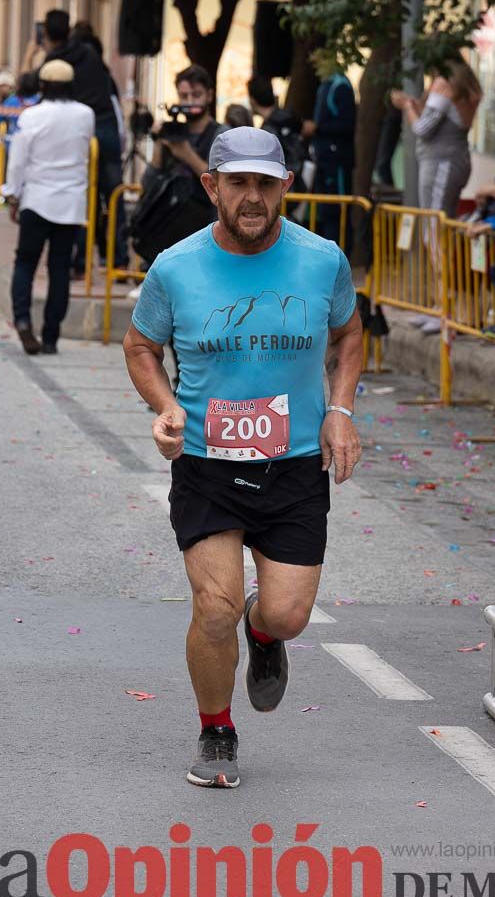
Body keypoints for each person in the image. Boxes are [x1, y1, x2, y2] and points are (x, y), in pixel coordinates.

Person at [123, 126, 364, 789]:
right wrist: (165, 407)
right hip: (207, 463)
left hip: (294, 467)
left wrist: (339, 410)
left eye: (266, 183)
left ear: (285, 185)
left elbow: (348, 335)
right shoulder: (176, 267)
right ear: (213, 186)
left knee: (284, 614)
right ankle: (217, 729)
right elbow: (140, 346)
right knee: (216, 606)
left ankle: (265, 639)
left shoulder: (322, 260)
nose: (253, 198)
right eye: (239, 184)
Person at [1, 59, 94, 356]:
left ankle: (23, 320)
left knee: (26, 262)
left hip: (37, 200)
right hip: (71, 203)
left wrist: (11, 195)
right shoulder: (85, 115)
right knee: (59, 268)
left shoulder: (31, 116)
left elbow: (17, 161)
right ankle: (51, 335)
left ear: (42, 86)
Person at [24, 9, 126, 270]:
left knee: (84, 195)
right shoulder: (89, 54)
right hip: (106, 127)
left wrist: (29, 55)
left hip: (80, 132)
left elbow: (24, 85)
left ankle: (80, 262)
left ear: (45, 34)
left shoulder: (54, 64)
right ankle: (119, 259)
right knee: (114, 195)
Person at [131, 65, 226, 266]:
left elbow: (223, 183)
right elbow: (149, 183)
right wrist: (159, 145)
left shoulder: (221, 135)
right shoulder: (171, 132)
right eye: (184, 96)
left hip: (204, 227)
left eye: (196, 95)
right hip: (167, 226)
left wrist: (186, 154)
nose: (189, 102)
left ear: (209, 96)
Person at [391, 59, 482, 218]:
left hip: (440, 163)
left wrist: (407, 105)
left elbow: (423, 129)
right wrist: (415, 105)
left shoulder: (444, 83)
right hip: (456, 159)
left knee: (434, 226)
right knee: (445, 224)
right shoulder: (465, 84)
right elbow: (439, 118)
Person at [310, 71, 356, 246]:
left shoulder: (340, 86)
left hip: (336, 162)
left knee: (338, 211)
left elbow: (347, 124)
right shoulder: (325, 84)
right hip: (323, 161)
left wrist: (318, 127)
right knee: (326, 212)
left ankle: (343, 254)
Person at [247, 75, 307, 191]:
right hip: (302, 181)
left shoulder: (267, 131)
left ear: (252, 100)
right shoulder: (289, 117)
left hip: (284, 187)